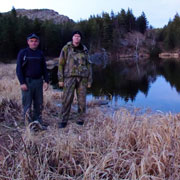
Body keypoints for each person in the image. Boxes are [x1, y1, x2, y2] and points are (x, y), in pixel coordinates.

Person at [58, 31, 92, 128]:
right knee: (67, 99)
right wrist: (60, 79)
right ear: (72, 38)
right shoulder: (66, 48)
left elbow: (89, 65)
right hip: (69, 78)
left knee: (82, 101)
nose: (77, 38)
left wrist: (90, 80)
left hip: (83, 79)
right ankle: (63, 121)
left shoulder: (85, 49)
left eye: (78, 36)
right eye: (75, 36)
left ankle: (80, 120)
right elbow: (61, 64)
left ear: (80, 38)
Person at [16, 33, 49, 129]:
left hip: (38, 82)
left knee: (38, 103)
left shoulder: (40, 53)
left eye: (35, 41)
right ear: (28, 42)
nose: (33, 43)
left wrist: (46, 81)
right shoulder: (23, 53)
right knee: (27, 103)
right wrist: (22, 82)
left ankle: (38, 122)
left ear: (38, 42)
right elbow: (19, 69)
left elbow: (44, 68)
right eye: (31, 41)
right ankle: (27, 124)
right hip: (27, 82)